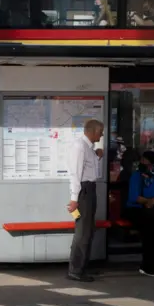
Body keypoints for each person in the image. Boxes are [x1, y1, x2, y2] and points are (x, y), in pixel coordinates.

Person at [67, 119, 104, 282]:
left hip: (90, 189)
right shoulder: (79, 147)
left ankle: (82, 267)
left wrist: (98, 157)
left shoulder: (90, 148)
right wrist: (74, 198)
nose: (102, 134)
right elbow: (75, 174)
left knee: (88, 230)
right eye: (100, 131)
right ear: (93, 131)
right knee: (82, 232)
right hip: (84, 191)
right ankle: (75, 270)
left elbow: (91, 170)